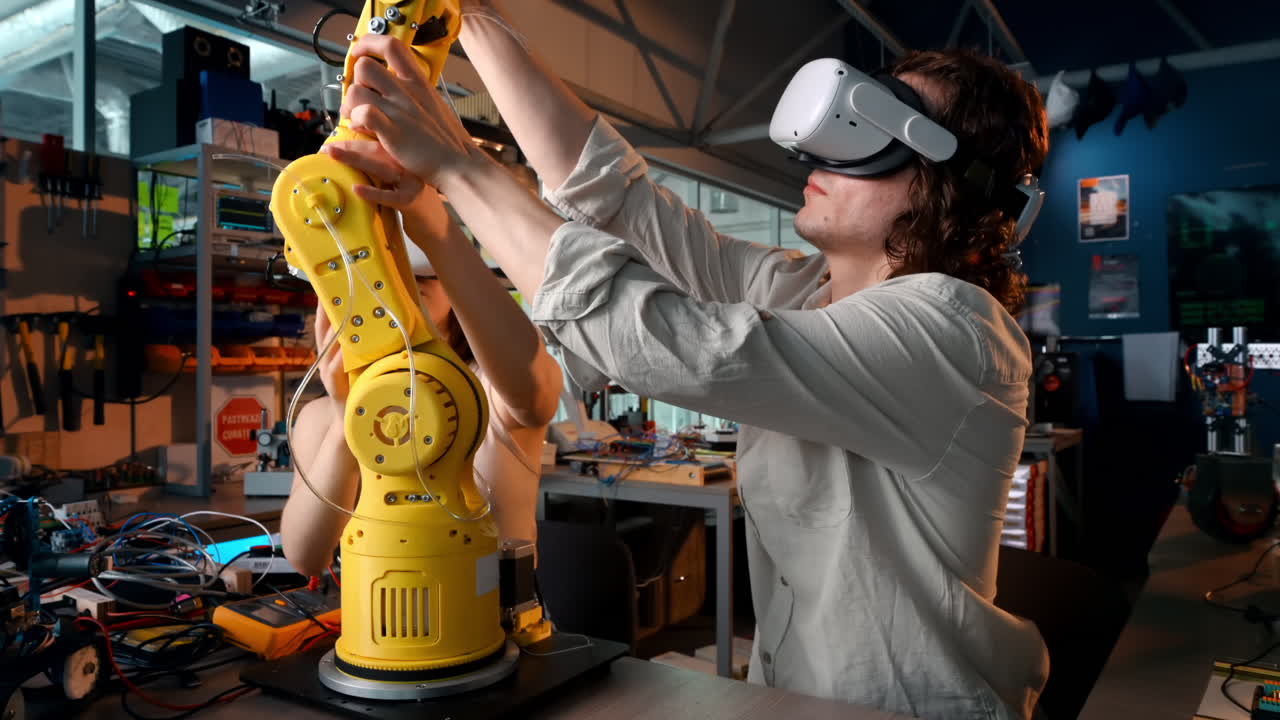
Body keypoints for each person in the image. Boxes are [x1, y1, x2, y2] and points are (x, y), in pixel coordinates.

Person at [329, 3, 1052, 717]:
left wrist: (460, 167)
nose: (823, 152)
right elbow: (616, 197)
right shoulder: (799, 291)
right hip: (792, 695)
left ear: (950, 182)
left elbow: (675, 345)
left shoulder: (955, 330)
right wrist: (470, 15)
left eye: (863, 135)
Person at [280, 165, 563, 579]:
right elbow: (306, 557)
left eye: (417, 273)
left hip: (491, 613)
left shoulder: (489, 390)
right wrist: (346, 420)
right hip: (375, 617)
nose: (394, 283)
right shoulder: (321, 416)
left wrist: (433, 227)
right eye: (376, 271)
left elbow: (534, 393)